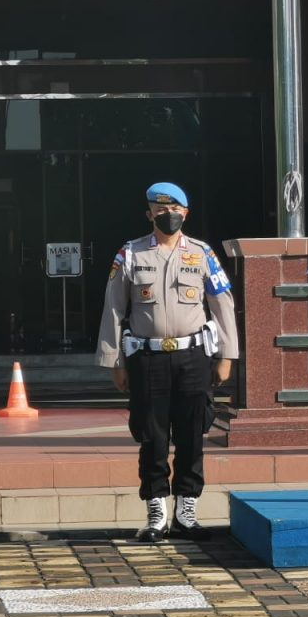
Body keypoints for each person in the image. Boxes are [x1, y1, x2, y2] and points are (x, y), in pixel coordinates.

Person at [96, 182, 238, 543]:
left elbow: (222, 303)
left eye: (174, 209)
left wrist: (227, 355)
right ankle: (156, 511)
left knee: (192, 433)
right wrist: (114, 360)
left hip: (193, 357)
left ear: (185, 213)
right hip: (147, 357)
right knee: (152, 436)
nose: (168, 214)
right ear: (149, 214)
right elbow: (114, 307)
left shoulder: (203, 253)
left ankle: (187, 511)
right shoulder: (130, 254)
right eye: (160, 210)